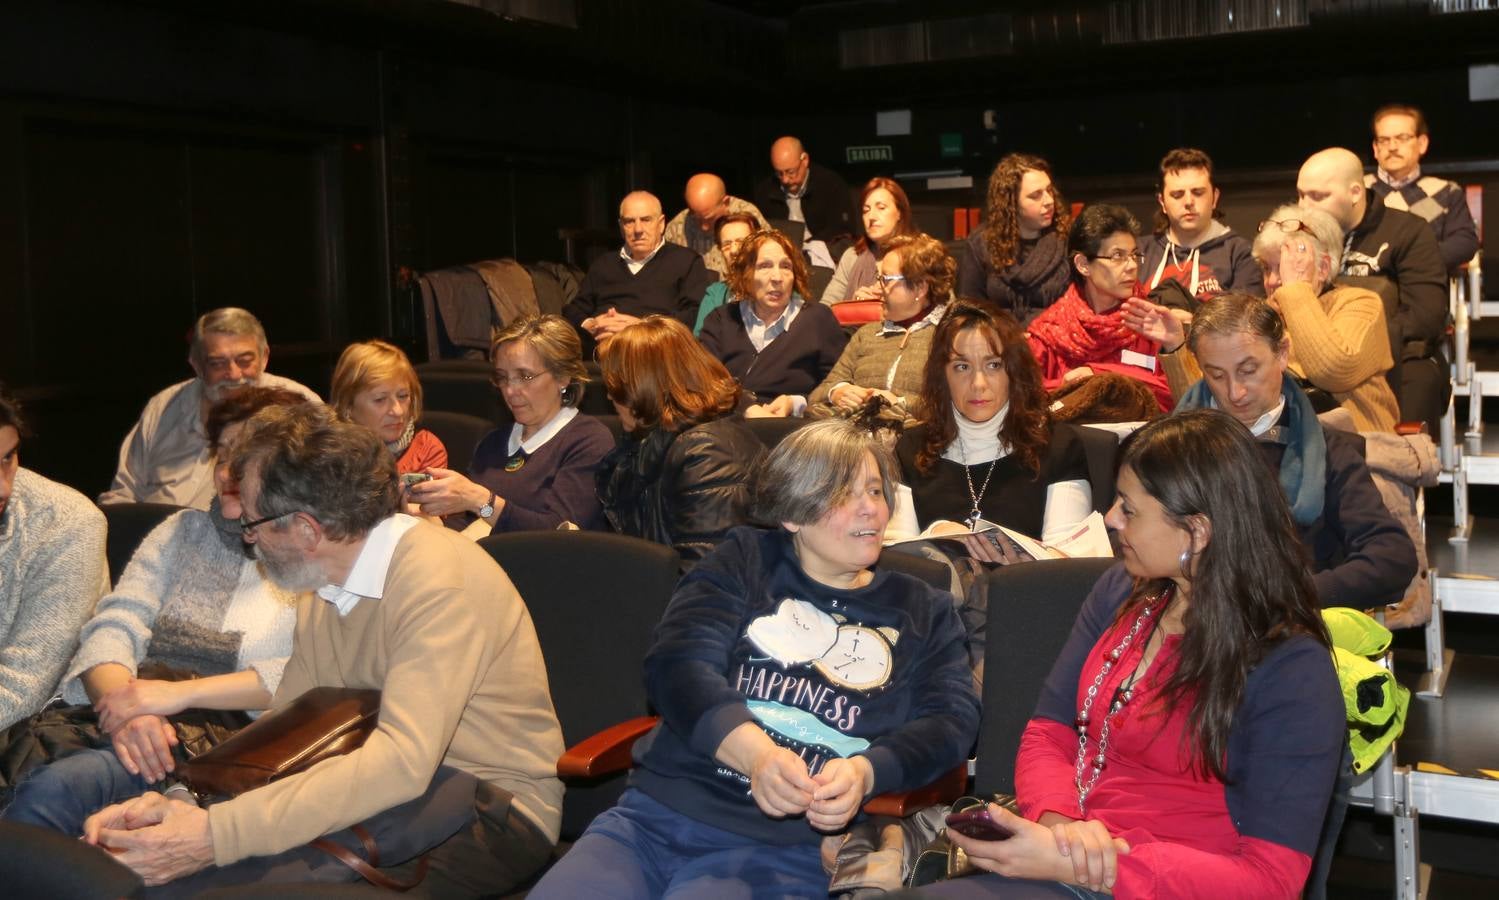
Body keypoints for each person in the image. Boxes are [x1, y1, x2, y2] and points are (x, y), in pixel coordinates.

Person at [77, 403, 566, 896]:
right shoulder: (325, 578)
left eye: (253, 524)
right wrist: (193, 798)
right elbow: (296, 716)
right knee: (174, 880)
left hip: (494, 808)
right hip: (386, 783)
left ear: (307, 530)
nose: (250, 540)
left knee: (218, 887)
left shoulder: (438, 582)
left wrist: (214, 834)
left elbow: (400, 762)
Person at [531, 419, 980, 899]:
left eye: (876, 489)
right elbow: (677, 666)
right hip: (655, 818)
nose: (871, 508)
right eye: (844, 494)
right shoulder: (745, 559)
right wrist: (757, 757)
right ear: (792, 513)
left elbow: (952, 721)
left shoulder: (922, 608)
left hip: (785, 848)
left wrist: (866, 771)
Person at [4, 387, 310, 835]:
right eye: (222, 453)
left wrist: (176, 696)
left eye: (245, 456)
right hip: (118, 718)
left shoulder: (307, 547)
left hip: (220, 741)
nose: (227, 469)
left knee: (51, 793)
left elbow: (308, 670)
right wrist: (131, 707)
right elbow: (113, 626)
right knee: (32, 776)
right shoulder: (184, 531)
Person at [1173, 293, 1417, 609]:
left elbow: (1392, 557)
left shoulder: (1330, 453)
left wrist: (1289, 598)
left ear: (1283, 353)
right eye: (1216, 375)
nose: (1235, 392)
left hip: (1285, 627)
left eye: (1248, 369)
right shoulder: (1171, 449)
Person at [896, 298, 1092, 548]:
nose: (978, 384)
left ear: (1014, 371)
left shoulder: (1059, 447)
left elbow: (1069, 566)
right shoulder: (910, 448)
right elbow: (899, 560)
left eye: (993, 365)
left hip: (1029, 586)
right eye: (961, 366)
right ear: (942, 377)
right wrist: (935, 534)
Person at [408, 314, 614, 534]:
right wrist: (429, 522)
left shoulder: (589, 441)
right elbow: (465, 524)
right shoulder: (493, 443)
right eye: (502, 378)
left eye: (524, 376)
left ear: (563, 377)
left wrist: (481, 501)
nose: (509, 390)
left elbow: (558, 533)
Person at [100, 307, 320, 509]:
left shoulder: (298, 405)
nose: (234, 374)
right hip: (157, 539)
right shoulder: (164, 407)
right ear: (196, 365)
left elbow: (323, 492)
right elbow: (122, 494)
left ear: (264, 358)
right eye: (218, 363)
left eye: (244, 360)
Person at [597, 316, 765, 568]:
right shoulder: (650, 441)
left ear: (646, 387)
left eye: (617, 386)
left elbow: (706, 579)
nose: (609, 395)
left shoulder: (707, 454)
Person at [1297, 147, 1447, 427]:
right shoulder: (1297, 234)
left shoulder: (1408, 231)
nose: (1305, 207)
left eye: (1318, 196)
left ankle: (1406, 465)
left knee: (1420, 379)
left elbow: (1427, 315)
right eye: (1301, 194)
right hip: (1316, 352)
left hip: (1396, 355)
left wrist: (1362, 342)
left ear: (1355, 193)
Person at [0, 384, 109, 732]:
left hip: (38, 731)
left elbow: (21, 689)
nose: (3, 487)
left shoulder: (67, 523)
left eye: (8, 458)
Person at [1027, 204, 1172, 412]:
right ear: (1083, 264)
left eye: (1134, 255)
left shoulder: (1151, 321)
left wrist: (1098, 376)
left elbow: (1173, 396)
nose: (1131, 266)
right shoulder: (1049, 333)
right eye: (1117, 256)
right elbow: (1028, 400)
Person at [807, 232, 954, 420]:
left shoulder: (951, 337)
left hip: (915, 442)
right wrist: (838, 392)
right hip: (851, 439)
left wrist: (898, 402)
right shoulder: (867, 334)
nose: (877, 288)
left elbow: (954, 405)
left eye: (886, 279)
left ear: (920, 287)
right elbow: (816, 396)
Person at [699, 229, 847, 416]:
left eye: (786, 266)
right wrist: (746, 407)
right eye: (765, 266)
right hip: (726, 423)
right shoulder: (722, 319)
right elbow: (703, 379)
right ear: (746, 274)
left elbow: (835, 387)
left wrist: (795, 403)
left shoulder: (818, 319)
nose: (777, 278)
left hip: (792, 430)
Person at [563, 191, 715, 349]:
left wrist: (641, 327)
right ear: (621, 227)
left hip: (655, 352)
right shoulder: (603, 264)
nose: (638, 229)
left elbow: (695, 315)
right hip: (602, 352)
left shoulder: (687, 261)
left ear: (661, 223)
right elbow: (573, 310)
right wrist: (591, 324)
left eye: (646, 220)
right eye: (629, 221)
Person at [1365, 103, 1479, 276]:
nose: (1392, 146)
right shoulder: (1358, 191)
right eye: (1384, 140)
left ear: (1422, 143)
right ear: (1375, 148)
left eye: (1402, 138)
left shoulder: (1446, 192)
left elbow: (1464, 243)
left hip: (1423, 284)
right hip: (1365, 290)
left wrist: (1412, 261)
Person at [956, 154, 1072, 322]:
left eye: (1049, 190)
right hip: (1000, 341)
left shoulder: (1067, 238)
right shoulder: (982, 242)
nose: (1048, 201)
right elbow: (969, 308)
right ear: (1011, 203)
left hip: (1056, 337)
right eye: (1036, 195)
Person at [1141, 148, 1262, 300]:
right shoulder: (1139, 252)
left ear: (1215, 197)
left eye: (1198, 193)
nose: (1188, 202)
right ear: (1162, 202)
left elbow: (1247, 317)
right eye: (1177, 195)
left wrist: (1185, 320)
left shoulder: (1241, 253)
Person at [329, 340, 447, 474]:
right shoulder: (328, 454)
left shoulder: (426, 450)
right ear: (347, 406)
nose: (398, 411)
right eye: (380, 399)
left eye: (403, 396)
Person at [821, 177, 920, 305]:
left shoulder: (920, 255)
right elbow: (825, 309)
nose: (871, 217)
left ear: (899, 213)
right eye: (866, 210)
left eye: (881, 208)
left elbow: (944, 308)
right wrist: (855, 305)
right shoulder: (852, 256)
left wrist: (893, 303)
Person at [754, 136, 856, 246]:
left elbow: (842, 229)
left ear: (805, 160)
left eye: (791, 172)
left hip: (825, 250)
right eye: (779, 173)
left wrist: (810, 246)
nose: (785, 179)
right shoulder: (765, 192)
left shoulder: (830, 184)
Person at [663, 173, 768, 277]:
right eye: (696, 217)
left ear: (725, 203)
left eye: (709, 219)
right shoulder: (677, 227)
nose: (704, 227)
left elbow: (768, 258)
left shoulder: (747, 218)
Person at [692, 212, 761, 334]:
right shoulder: (715, 294)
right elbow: (700, 342)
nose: (734, 250)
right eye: (727, 245)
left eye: (741, 242)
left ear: (758, 244)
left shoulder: (777, 286)